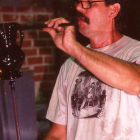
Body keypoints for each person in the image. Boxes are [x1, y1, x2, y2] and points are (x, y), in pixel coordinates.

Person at [43, 0, 140, 139]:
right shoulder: (69, 65)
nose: (78, 8)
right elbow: (58, 134)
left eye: (87, 2)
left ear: (113, 10)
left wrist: (73, 48)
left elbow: (136, 82)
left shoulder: (135, 51)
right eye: (77, 2)